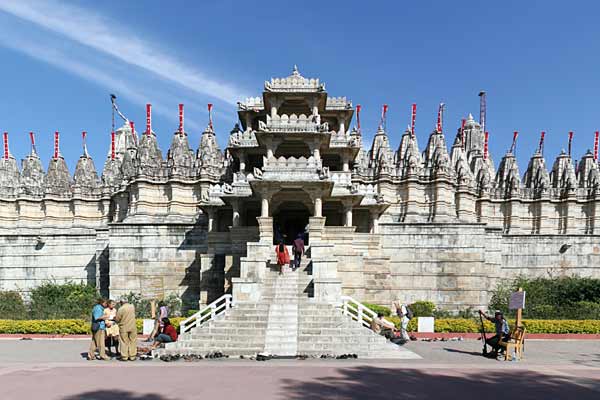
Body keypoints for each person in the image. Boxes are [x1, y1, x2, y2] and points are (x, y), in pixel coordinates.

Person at [115, 296, 137, 361]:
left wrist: (114, 319)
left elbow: (117, 319)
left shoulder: (121, 309)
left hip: (124, 327)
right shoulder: (132, 307)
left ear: (121, 302)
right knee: (133, 341)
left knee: (124, 342)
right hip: (133, 326)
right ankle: (132, 356)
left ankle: (124, 356)